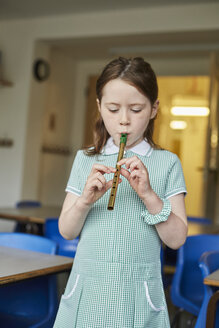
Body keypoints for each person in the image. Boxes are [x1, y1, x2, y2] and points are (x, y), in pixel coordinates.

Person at [53, 57, 187, 328]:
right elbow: (67, 231)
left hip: (137, 294)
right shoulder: (85, 159)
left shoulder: (167, 162)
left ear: (153, 109)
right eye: (113, 109)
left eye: (136, 109)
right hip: (88, 289)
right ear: (100, 107)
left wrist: (149, 194)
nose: (124, 121)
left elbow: (176, 239)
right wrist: (84, 202)